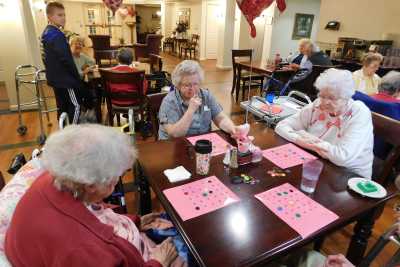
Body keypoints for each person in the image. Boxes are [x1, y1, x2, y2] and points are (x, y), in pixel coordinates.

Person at [4, 124, 183, 267]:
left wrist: (135, 221)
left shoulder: (57, 178)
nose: (117, 181)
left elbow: (93, 213)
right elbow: (89, 245)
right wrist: (158, 262)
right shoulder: (81, 249)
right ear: (90, 185)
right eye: (116, 178)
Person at [275, 68, 374, 178]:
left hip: (350, 177)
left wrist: (305, 135)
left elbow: (342, 157)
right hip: (319, 163)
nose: (325, 102)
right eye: (322, 96)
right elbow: (281, 126)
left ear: (346, 98)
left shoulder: (358, 112)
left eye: (332, 98)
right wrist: (300, 139)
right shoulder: (317, 104)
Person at [158, 60, 237, 140]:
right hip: (173, 146)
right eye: (187, 85)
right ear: (178, 85)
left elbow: (220, 118)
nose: (192, 88)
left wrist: (233, 129)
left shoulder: (206, 96)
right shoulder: (169, 101)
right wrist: (191, 110)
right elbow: (175, 134)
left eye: (195, 84)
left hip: (201, 143)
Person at [41, 2, 82, 124]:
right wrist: (76, 76)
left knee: (62, 107)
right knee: (76, 106)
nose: (63, 18)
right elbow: (66, 59)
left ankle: (63, 132)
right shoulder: (57, 35)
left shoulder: (46, 32)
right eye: (59, 15)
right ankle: (70, 133)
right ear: (50, 17)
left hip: (55, 78)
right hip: (65, 80)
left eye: (64, 15)